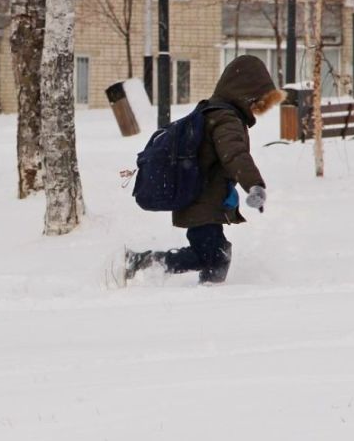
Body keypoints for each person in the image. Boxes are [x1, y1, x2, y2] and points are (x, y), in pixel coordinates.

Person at [122, 55, 285, 285]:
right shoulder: (226, 118)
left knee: (215, 255)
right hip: (201, 201)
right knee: (213, 256)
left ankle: (205, 290)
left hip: (201, 199)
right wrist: (254, 184)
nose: (256, 108)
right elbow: (235, 155)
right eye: (256, 101)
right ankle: (142, 263)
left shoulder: (214, 112)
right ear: (245, 93)